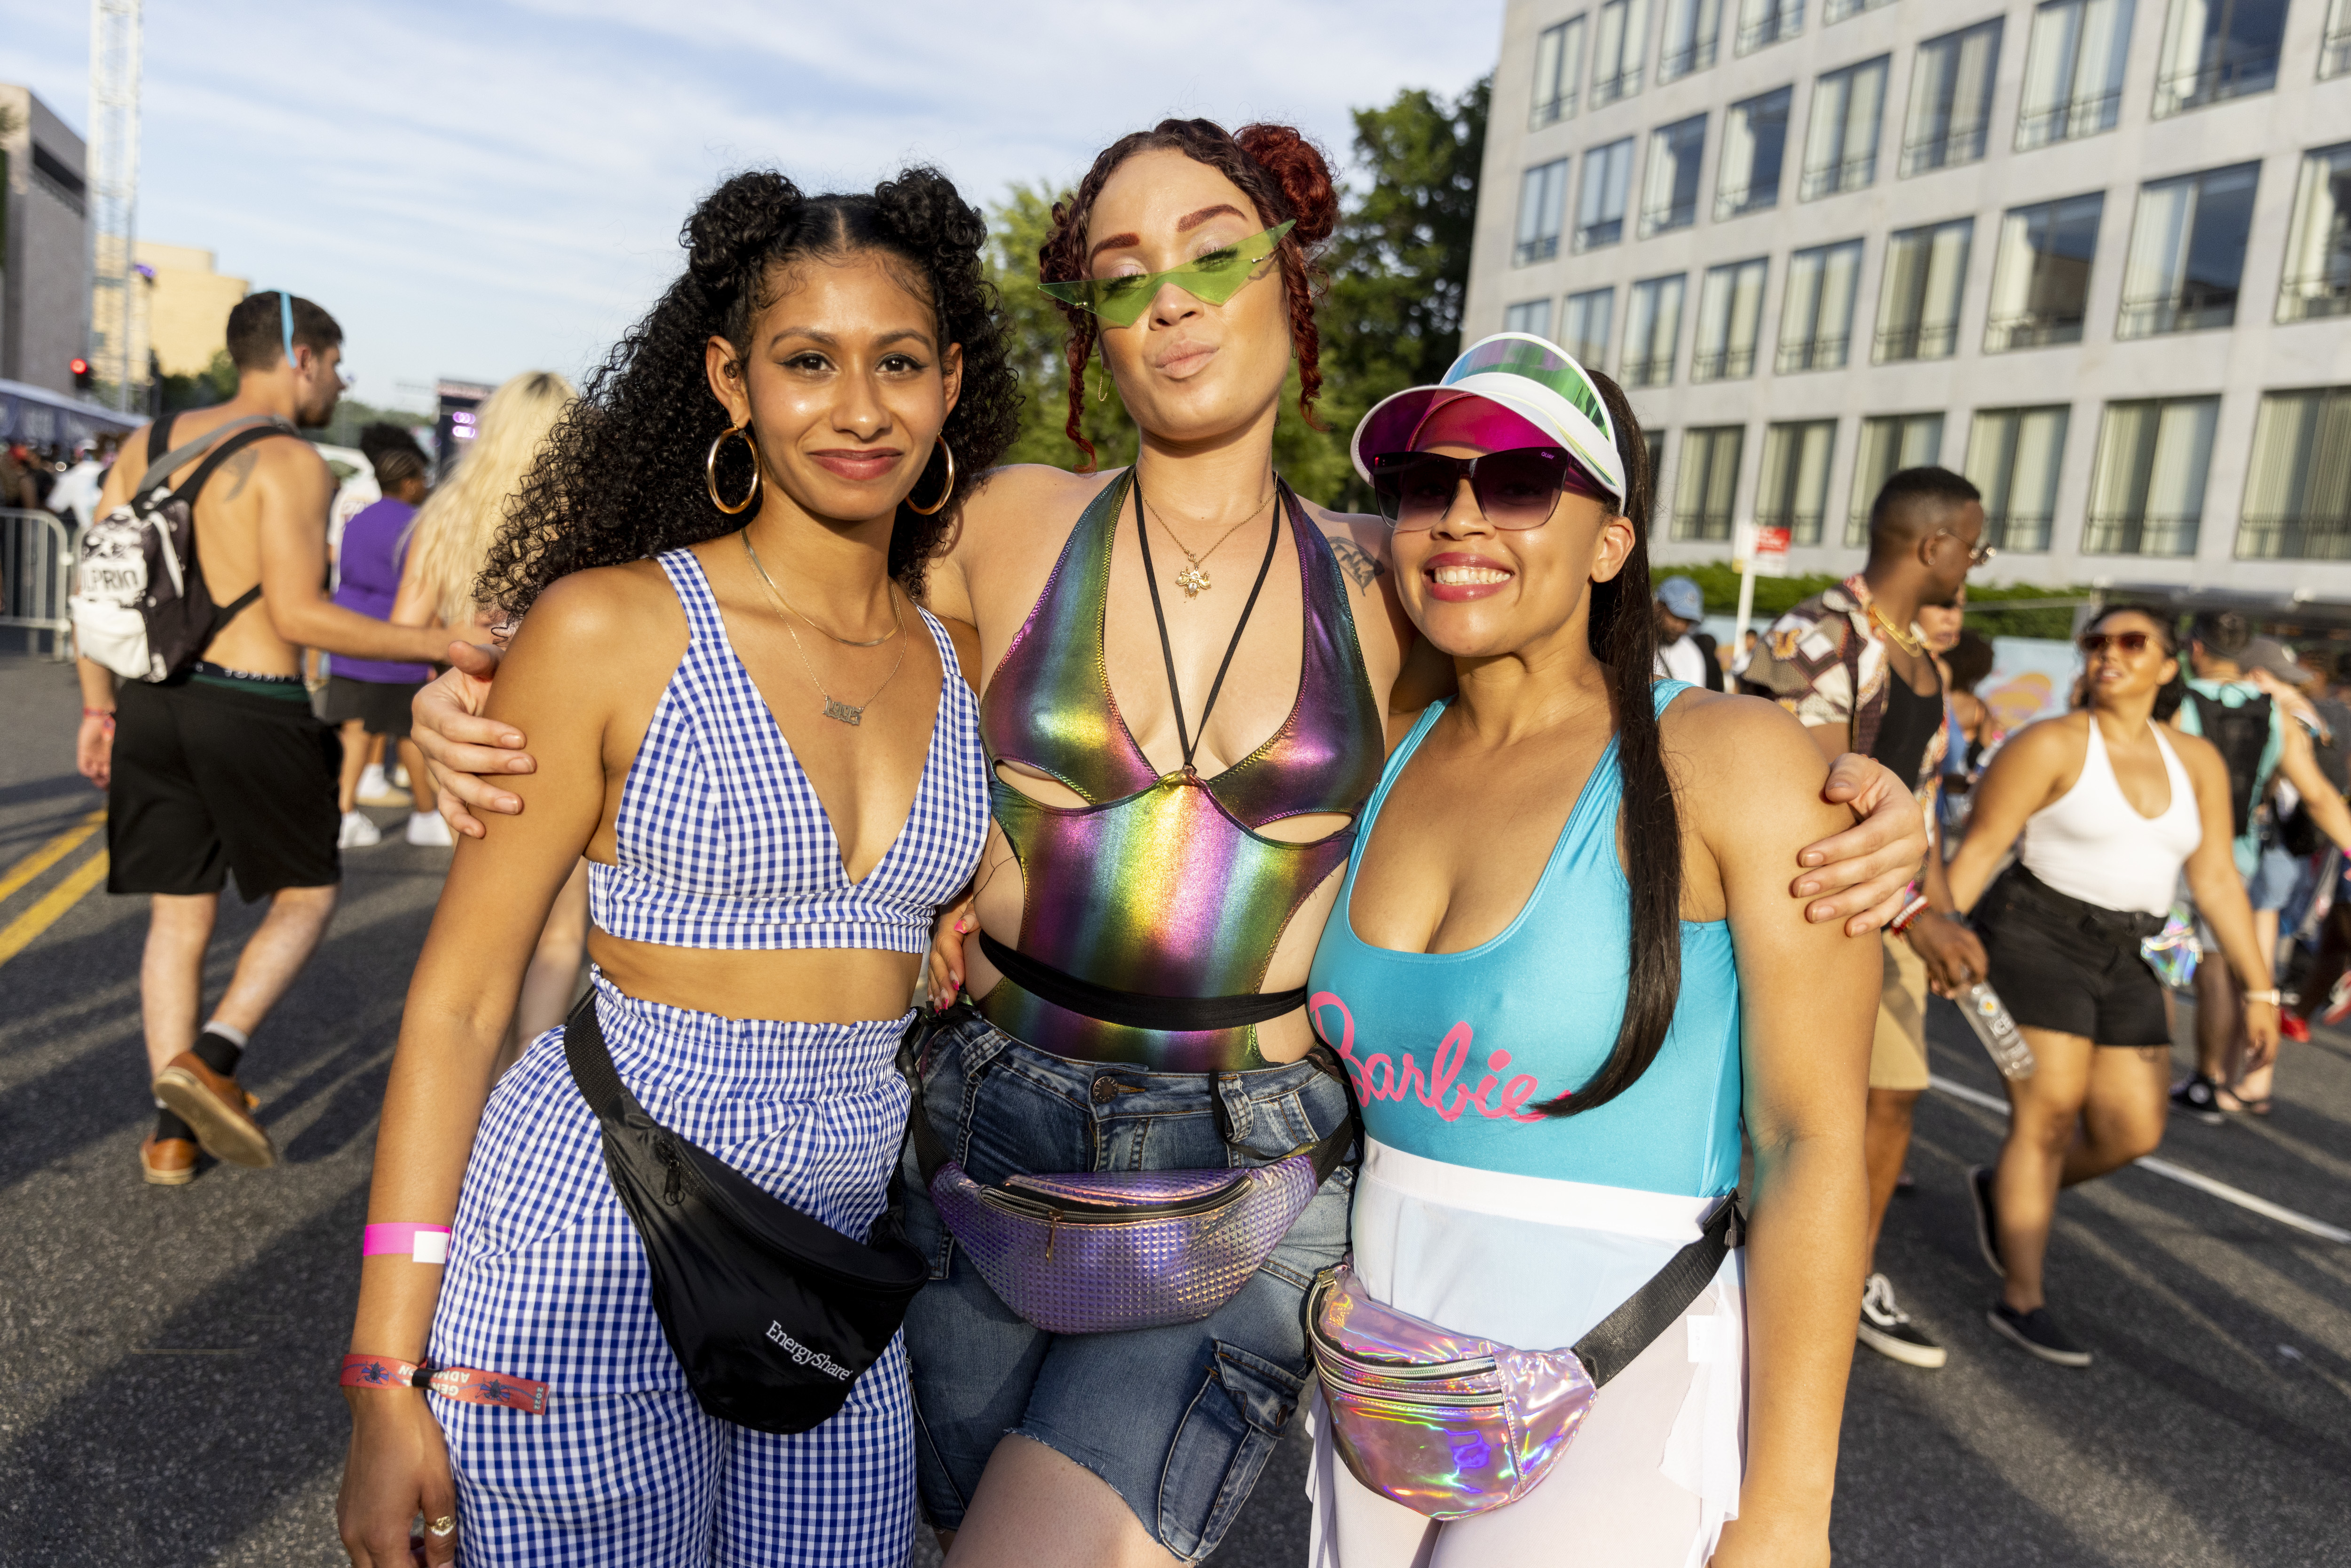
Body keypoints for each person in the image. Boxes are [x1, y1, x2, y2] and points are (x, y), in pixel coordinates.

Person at [405, 122, 1929, 1566]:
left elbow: (1584, 725)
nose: (1173, 301)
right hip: (965, 1136)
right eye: (1125, 273)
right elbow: (782, 615)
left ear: (1288, 281)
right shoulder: (1001, 523)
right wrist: (496, 710)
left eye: (1212, 254)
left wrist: (1853, 793)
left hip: (1242, 1170)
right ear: (1093, 327)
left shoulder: (1387, 580)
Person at [334, 168, 1015, 1568]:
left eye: (897, 362)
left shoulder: (957, 652)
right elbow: (460, 1006)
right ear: (730, 379)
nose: (859, 406)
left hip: (828, 1282)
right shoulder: (611, 628)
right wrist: (379, 1374)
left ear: (950, 385)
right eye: (806, 361)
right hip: (589, 1253)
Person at [1303, 337, 1874, 1565]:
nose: (1461, 515)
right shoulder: (1384, 739)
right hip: (1377, 1358)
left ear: (1612, 540)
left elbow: (1811, 1138)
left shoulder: (1732, 758)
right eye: (1423, 482)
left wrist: (1788, 1510)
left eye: (1519, 478)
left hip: (1627, 1356)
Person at [74, 292, 452, 1188]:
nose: (337, 381)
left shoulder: (149, 441)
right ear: (303, 357)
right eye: (337, 363)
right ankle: (212, 1055)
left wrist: (98, 708)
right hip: (251, 701)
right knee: (309, 894)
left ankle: (172, 1133)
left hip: (151, 701)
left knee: (179, 915)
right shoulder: (291, 459)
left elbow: (97, 579)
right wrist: (445, 642)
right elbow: (298, 612)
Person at [1945, 607, 2276, 1366]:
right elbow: (1984, 848)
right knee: (2050, 1112)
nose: (2109, 655)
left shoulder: (2194, 759)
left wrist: (2260, 991)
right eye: (2097, 642)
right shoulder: (2049, 743)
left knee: (2136, 1130)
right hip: (2037, 933)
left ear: (2168, 667)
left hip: (2146, 945)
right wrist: (1933, 936)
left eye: (2133, 643)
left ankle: (2006, 1193)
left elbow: (2218, 879)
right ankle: (2022, 1298)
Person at [1740, 465, 1993, 1371]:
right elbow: (1802, 789)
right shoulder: (1817, 632)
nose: (1979, 559)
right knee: (1786, 1113)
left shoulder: (1922, 655)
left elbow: (1915, 799)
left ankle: (1846, 1278)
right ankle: (1758, 1279)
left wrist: (1948, 913)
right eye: (1976, 543)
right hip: (1814, 908)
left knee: (1893, 1100)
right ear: (1935, 547)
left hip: (1896, 915)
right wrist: (1917, 910)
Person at [392, 370, 583, 1062]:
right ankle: (529, 1085)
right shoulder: (588, 514)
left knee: (483, 938)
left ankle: (479, 1083)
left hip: (466, 741)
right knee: (560, 931)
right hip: (565, 736)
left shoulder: (447, 515)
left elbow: (405, 626)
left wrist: (467, 649)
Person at [2169, 613, 2351, 1120]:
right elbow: (2315, 793)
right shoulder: (2272, 714)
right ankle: (2207, 1079)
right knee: (2215, 970)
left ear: (2195, 647)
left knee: (2160, 964)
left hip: (2173, 854)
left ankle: (2144, 1067)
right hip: (2235, 857)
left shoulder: (2173, 703)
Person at [323, 427, 442, 850]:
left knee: (354, 733)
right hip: (397, 644)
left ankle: (343, 815)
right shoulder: (420, 526)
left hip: (350, 637)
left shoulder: (356, 521)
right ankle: (427, 817)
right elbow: (425, 591)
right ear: (410, 483)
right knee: (409, 734)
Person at [1651, 574, 1719, 690]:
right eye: (1676, 617)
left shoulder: (1692, 653)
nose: (1681, 628)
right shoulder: (1632, 645)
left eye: (1688, 621)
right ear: (1657, 607)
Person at [48, 435, 114, 532]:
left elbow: (53, 508)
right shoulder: (111, 473)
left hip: (92, 534)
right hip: (114, 531)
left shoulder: (71, 477)